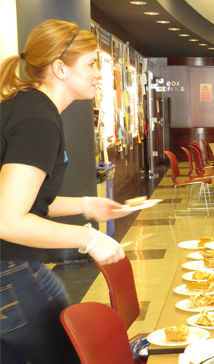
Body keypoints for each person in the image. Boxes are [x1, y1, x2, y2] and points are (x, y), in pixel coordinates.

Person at [0, 19, 133, 363]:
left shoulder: (26, 106)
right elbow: (8, 220)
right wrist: (89, 239)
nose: (98, 74)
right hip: (9, 271)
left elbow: (28, 199)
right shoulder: (37, 121)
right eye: (91, 64)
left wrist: (88, 204)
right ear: (60, 68)